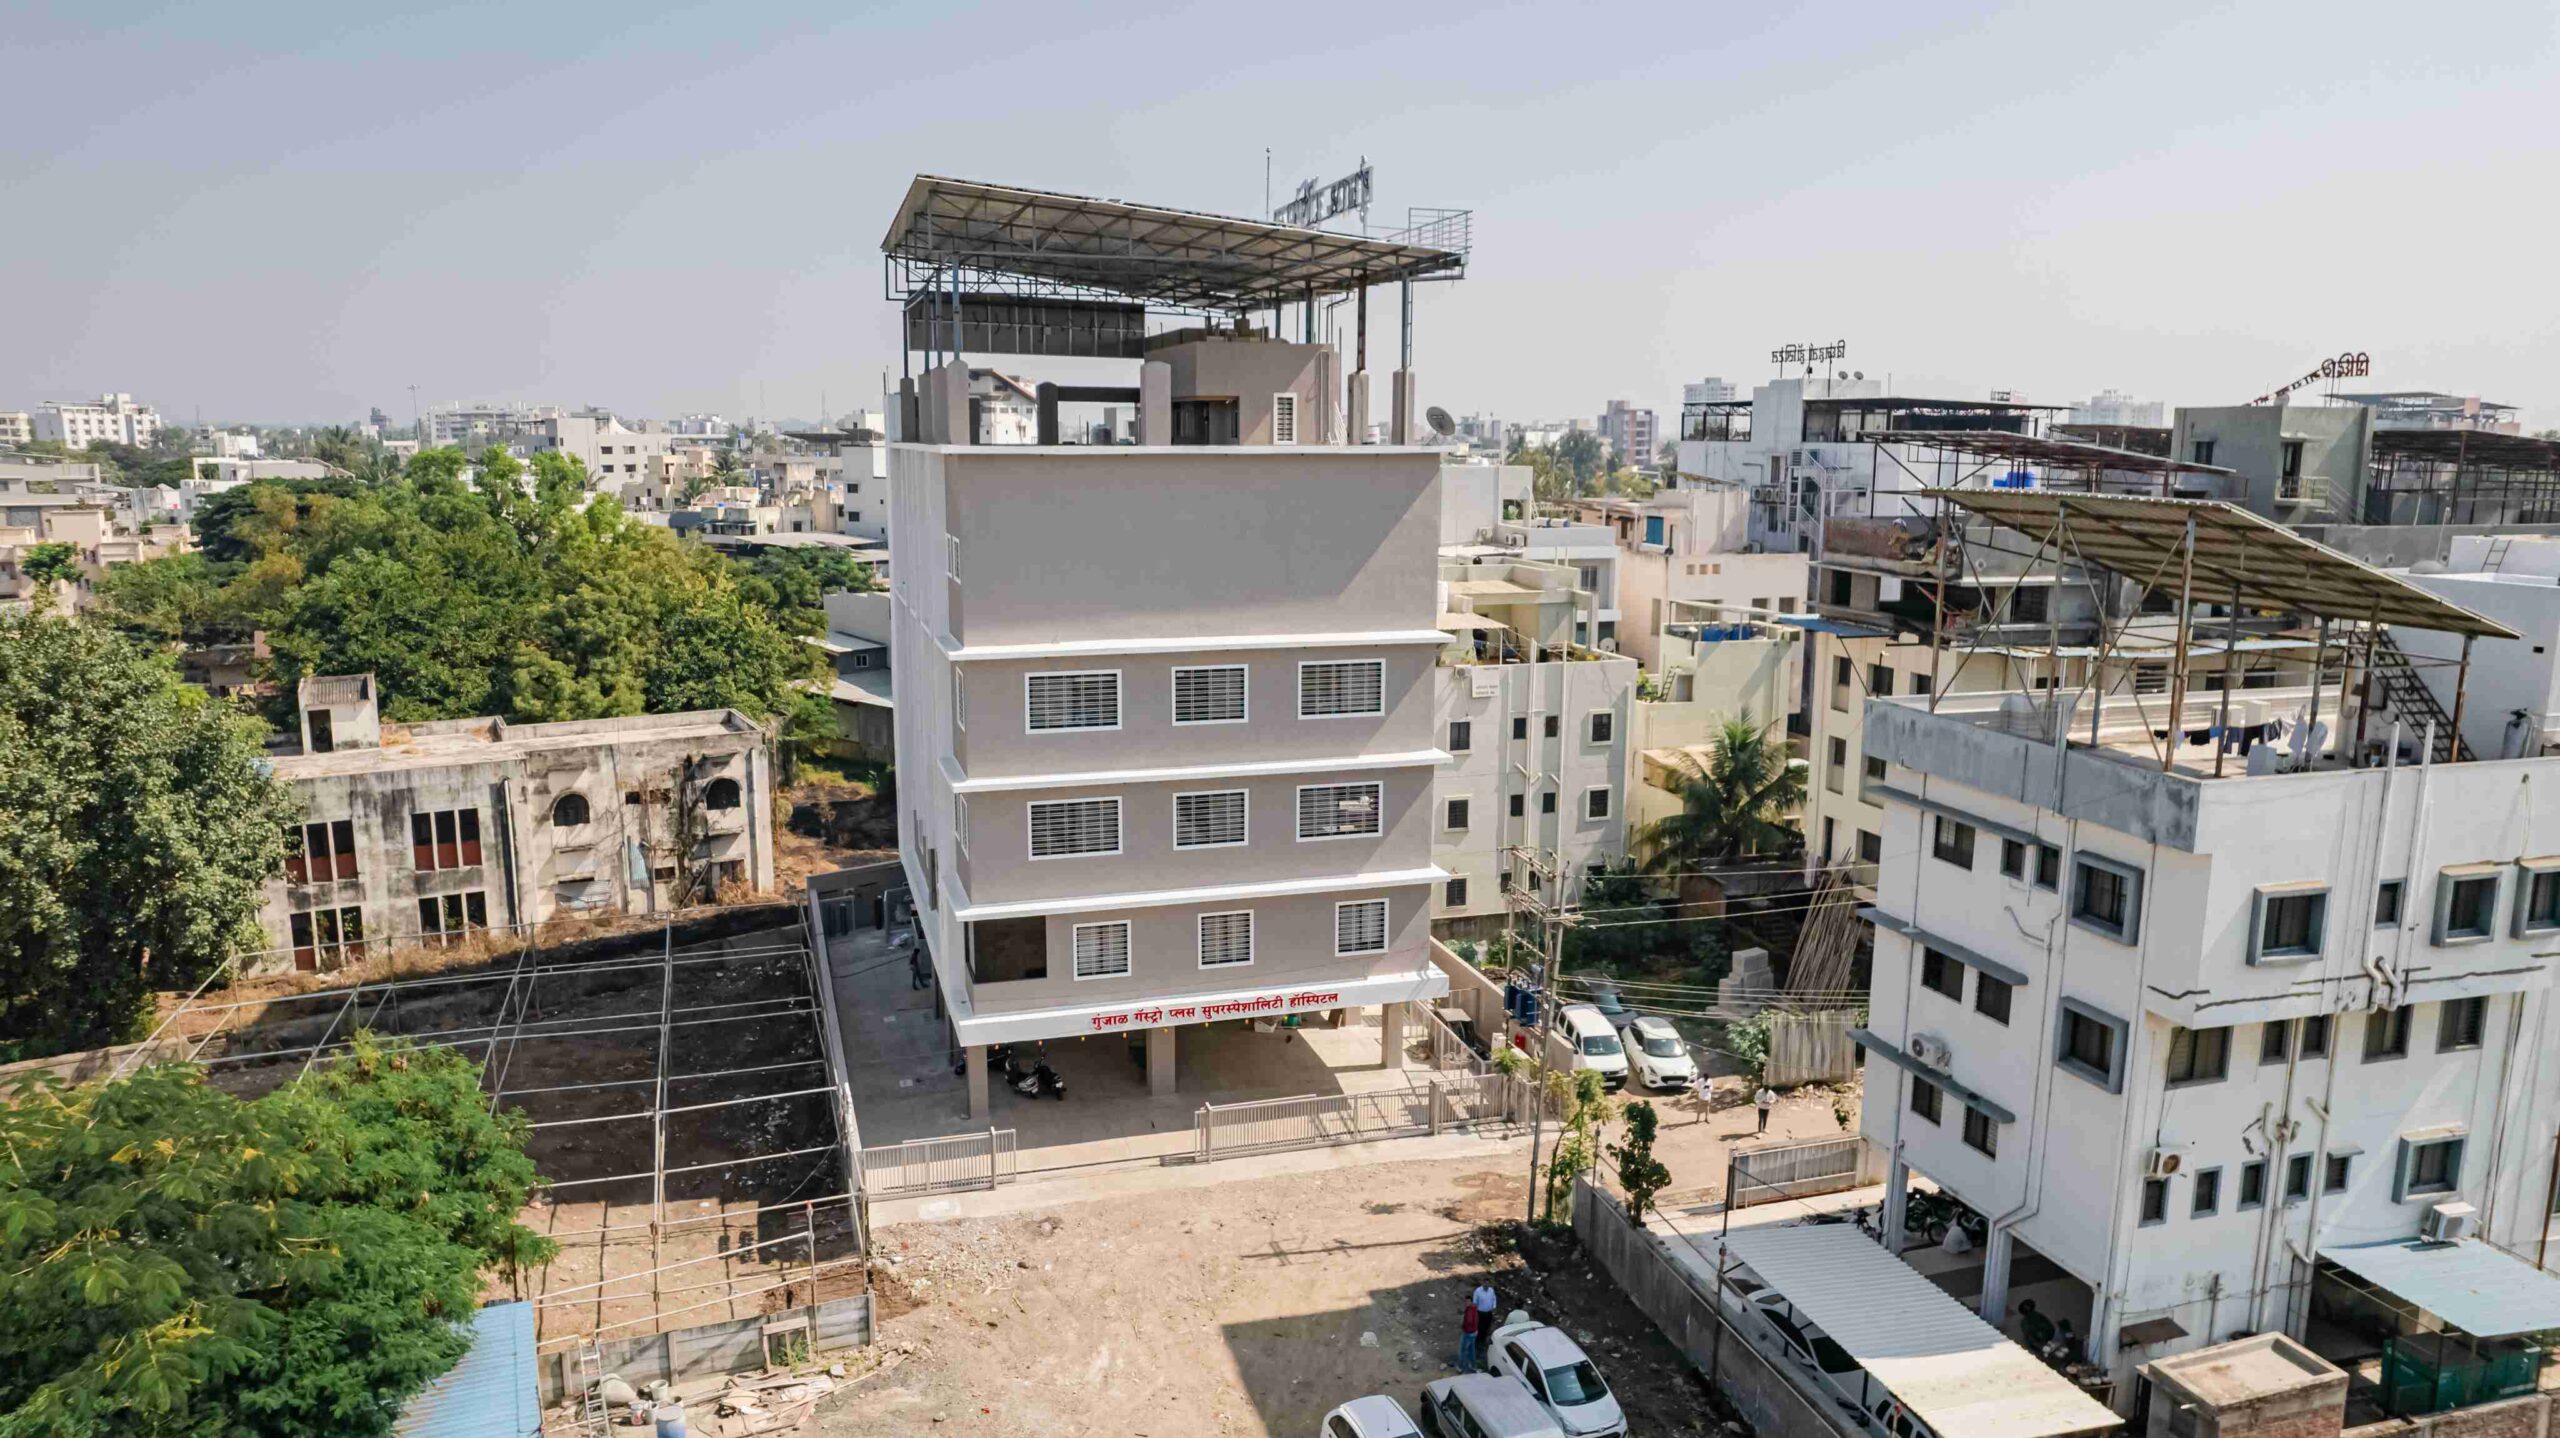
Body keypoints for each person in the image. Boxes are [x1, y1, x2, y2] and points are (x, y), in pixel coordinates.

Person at [1458, 1298, 1482, 1372]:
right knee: (1471, 1350)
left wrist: (1463, 1326)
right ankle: (1473, 1366)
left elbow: (1469, 1321)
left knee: (1463, 1350)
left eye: (1467, 1301)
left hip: (1468, 1333)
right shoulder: (1475, 1309)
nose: (1466, 1303)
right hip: (1474, 1332)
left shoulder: (1469, 1310)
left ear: (1471, 1302)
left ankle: (1460, 1367)